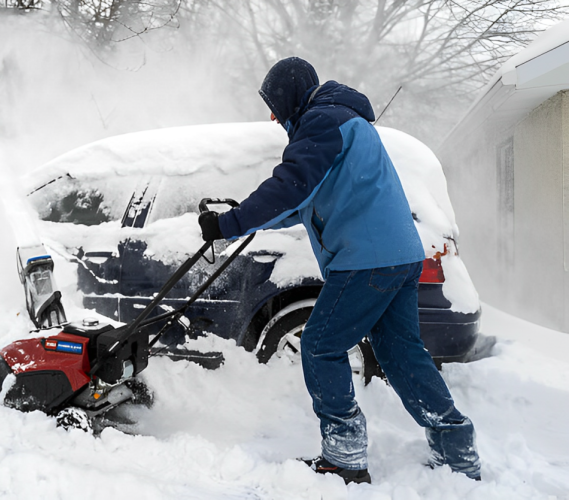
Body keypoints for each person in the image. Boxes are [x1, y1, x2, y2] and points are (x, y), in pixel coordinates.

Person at [198, 56, 481, 484]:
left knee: (320, 345)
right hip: (400, 254)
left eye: (275, 103)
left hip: (367, 259)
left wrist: (225, 225)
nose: (273, 115)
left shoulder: (322, 121)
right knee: (401, 352)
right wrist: (242, 219)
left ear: (292, 95)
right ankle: (456, 449)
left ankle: (345, 457)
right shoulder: (343, 120)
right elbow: (303, 200)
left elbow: (288, 185)